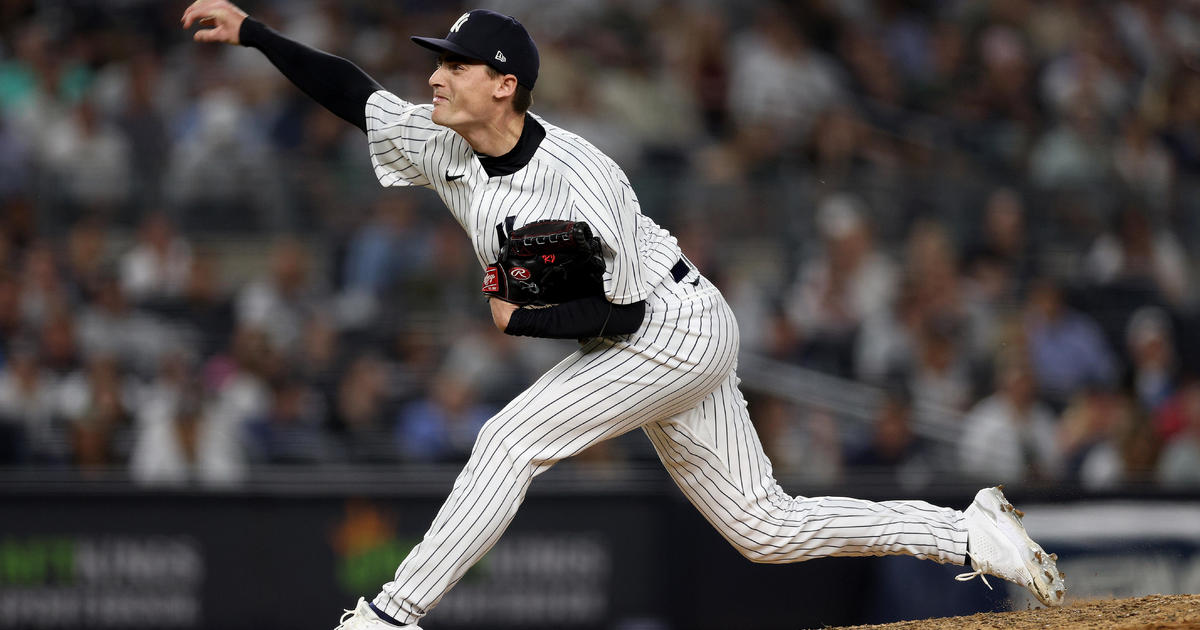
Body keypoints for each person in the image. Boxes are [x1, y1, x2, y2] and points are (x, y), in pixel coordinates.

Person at [180, 4, 1067, 628]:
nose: (433, 75)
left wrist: (517, 319)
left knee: (507, 440)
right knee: (766, 528)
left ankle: (390, 614)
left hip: (664, 323)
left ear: (504, 83)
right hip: (657, 329)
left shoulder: (582, 178)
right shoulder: (443, 138)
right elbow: (351, 91)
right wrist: (256, 34)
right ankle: (969, 530)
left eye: (451, 64)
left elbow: (616, 311)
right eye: (435, 60)